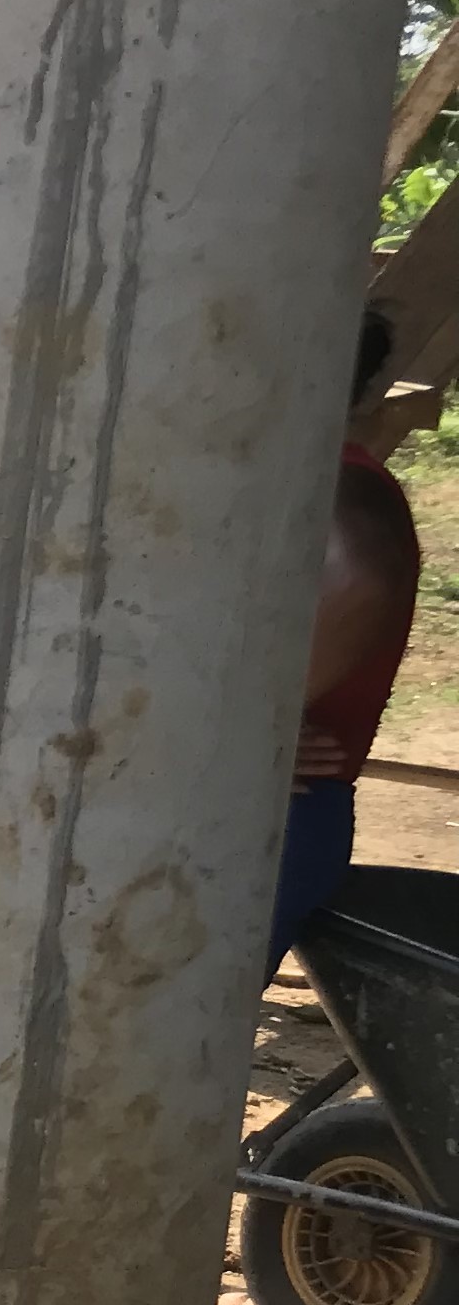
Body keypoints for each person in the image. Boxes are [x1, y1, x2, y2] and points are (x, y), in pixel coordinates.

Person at [273, 309, 425, 975]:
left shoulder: (336, 483)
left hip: (279, 809)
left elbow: (361, 577)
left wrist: (245, 734)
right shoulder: (283, 483)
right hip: (281, 808)